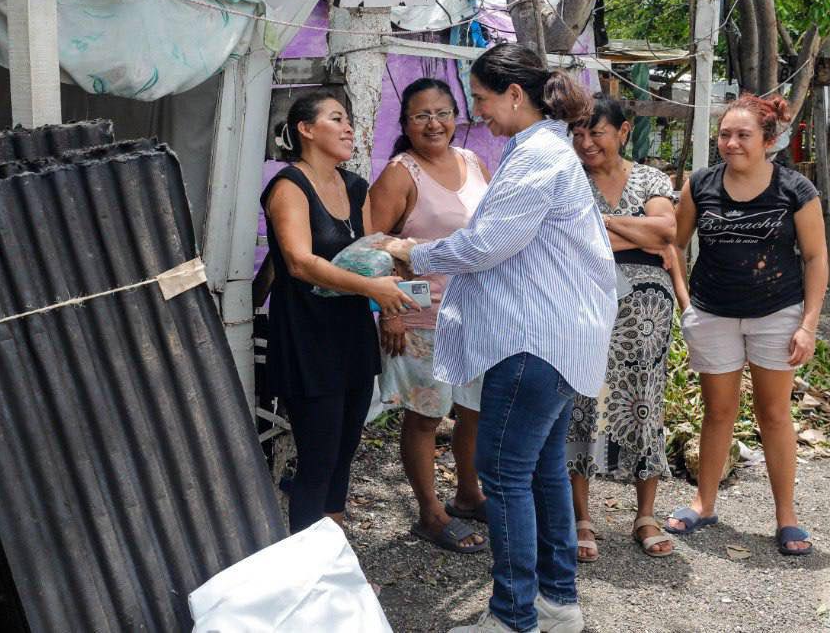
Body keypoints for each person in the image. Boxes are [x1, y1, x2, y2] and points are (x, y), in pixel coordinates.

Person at [382, 44, 617, 633]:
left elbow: (485, 244)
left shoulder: (538, 155)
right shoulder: (536, 151)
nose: (475, 113)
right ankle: (557, 605)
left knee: (504, 472)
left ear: (515, 94)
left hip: (536, 340)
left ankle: (514, 616)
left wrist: (413, 252)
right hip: (556, 339)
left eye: (481, 99)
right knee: (540, 471)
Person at [664, 93, 828, 557]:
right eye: (724, 135)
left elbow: (816, 259)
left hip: (778, 312)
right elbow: (675, 244)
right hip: (713, 312)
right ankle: (704, 502)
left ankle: (786, 518)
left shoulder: (795, 190)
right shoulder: (700, 185)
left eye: (743, 135)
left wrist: (808, 325)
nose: (731, 143)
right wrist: (685, 301)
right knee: (718, 412)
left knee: (773, 414)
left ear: (768, 141)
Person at [262, 91, 418, 533]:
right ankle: (309, 571)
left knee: (345, 448)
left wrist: (400, 262)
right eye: (337, 119)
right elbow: (299, 262)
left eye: (348, 119)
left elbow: (369, 252)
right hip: (307, 336)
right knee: (318, 454)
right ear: (306, 130)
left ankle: (335, 557)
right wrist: (373, 287)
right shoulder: (288, 186)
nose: (349, 128)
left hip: (351, 332)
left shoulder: (354, 186)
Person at [370, 78, 492, 555]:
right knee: (426, 416)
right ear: (405, 124)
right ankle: (429, 511)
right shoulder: (401, 173)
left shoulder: (473, 162)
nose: (434, 123)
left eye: (442, 112)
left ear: (456, 117)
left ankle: (467, 494)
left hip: (477, 314)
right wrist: (390, 313)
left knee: (475, 411)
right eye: (421, 115)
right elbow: (374, 246)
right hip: (422, 315)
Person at [564, 95, 678, 560]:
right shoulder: (568, 179)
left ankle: (645, 514)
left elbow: (666, 232)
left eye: (597, 131)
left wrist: (603, 224)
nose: (587, 142)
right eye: (579, 133)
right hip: (584, 307)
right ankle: (582, 517)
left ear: (623, 131)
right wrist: (638, 231)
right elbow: (571, 239)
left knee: (644, 403)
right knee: (581, 404)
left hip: (646, 317)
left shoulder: (652, 177)